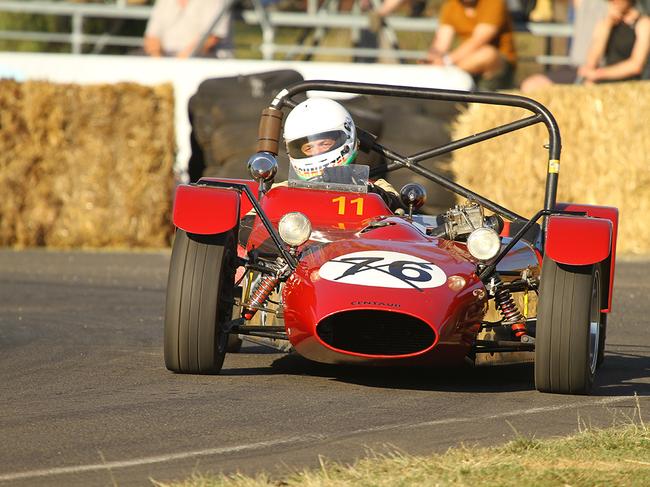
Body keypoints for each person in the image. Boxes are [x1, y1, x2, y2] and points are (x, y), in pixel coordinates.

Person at [283, 97, 406, 212]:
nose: (317, 152)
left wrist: (355, 187)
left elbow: (398, 209)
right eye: (309, 148)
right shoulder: (282, 189)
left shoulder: (377, 187)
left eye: (324, 144)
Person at [521, 0, 650, 91]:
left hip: (622, 81)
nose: (613, 2)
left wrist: (598, 74)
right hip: (597, 76)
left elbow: (636, 65)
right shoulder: (605, 22)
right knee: (532, 85)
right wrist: (607, 26)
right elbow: (591, 61)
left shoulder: (643, 23)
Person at [422, 0, 518, 90]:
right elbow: (441, 43)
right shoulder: (451, 6)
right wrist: (433, 59)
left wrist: (447, 61)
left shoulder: (493, 2)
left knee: (487, 54)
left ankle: (453, 75)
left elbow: (479, 40)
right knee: (431, 66)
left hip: (500, 64)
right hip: (465, 61)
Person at [143, 0, 234, 58]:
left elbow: (211, 39)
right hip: (167, 57)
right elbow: (152, 35)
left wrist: (180, 61)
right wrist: (156, 58)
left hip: (203, 57)